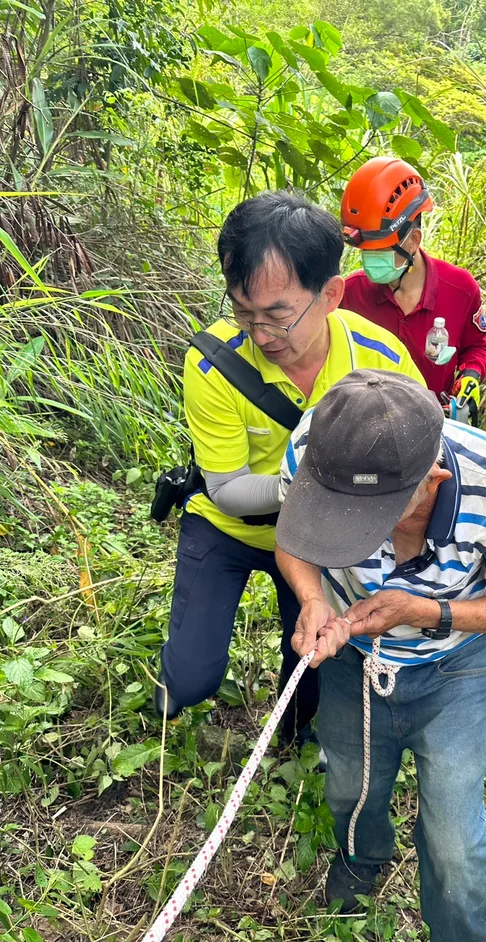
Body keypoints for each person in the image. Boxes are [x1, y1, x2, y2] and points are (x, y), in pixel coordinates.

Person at [274, 370, 486, 942]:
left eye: (365, 517)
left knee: (454, 832)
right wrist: (313, 600)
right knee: (349, 779)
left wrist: (425, 612)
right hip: (350, 657)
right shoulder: (318, 450)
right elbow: (293, 541)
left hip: (454, 665)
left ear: (433, 480)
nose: (349, 532)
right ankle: (361, 858)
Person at [155, 193, 425, 748]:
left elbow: (416, 460)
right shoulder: (214, 363)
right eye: (243, 312)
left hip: (320, 537)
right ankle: (174, 684)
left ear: (331, 294)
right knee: (193, 676)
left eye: (278, 316)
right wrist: (320, 489)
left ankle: (293, 734)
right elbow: (228, 491)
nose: (261, 335)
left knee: (310, 652)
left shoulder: (380, 359)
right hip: (228, 529)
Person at [340, 157, 486, 422]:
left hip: (435, 423)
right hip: (367, 425)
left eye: (380, 250)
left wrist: (470, 375)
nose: (369, 261)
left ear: (413, 241)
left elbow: (476, 346)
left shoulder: (460, 290)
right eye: (365, 251)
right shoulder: (351, 294)